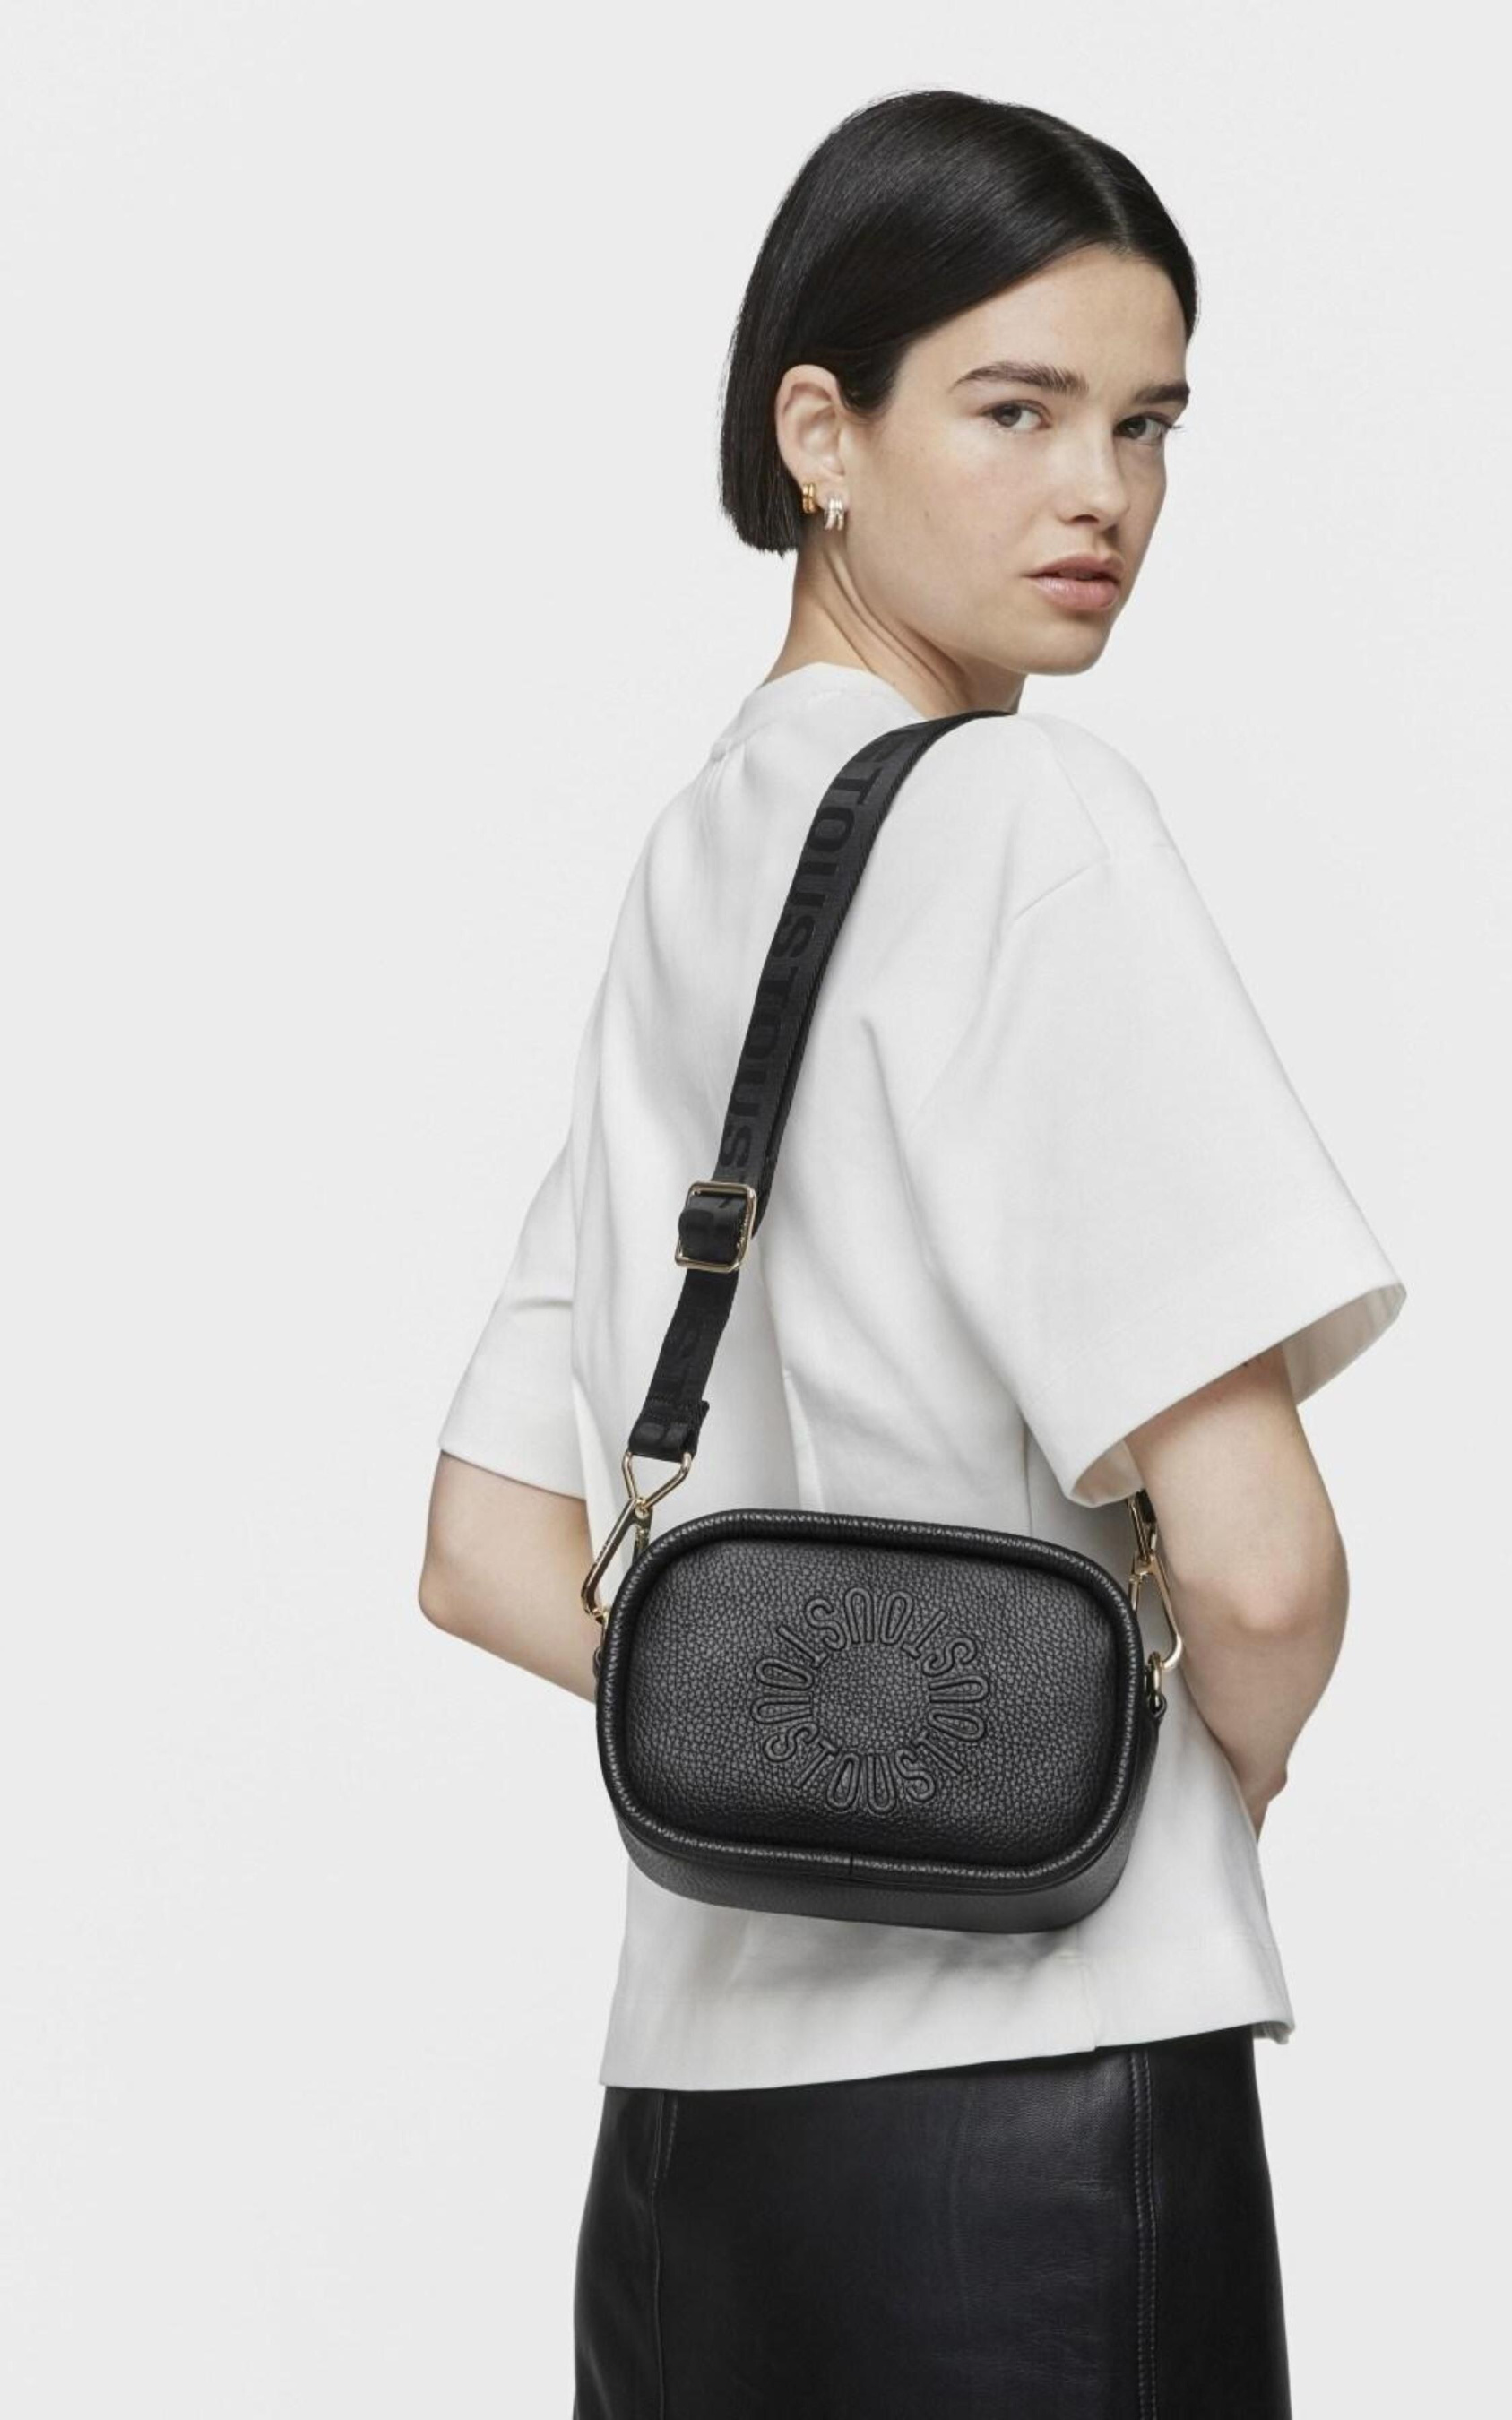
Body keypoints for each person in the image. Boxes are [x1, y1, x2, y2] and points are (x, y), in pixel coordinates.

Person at [418, 88, 1406, 2419]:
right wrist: (1145, 1779)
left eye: (1147, 423)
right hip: (1041, 2117)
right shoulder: (1024, 820)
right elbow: (1262, 1570)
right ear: (818, 435)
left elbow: (482, 1544)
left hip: (690, 2147)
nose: (1103, 495)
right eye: (1015, 409)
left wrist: (808, 1737)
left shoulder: (694, 879)